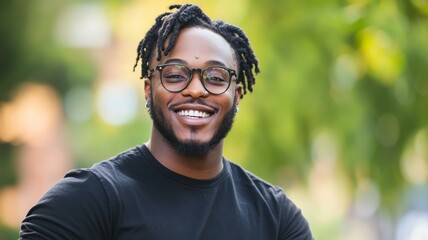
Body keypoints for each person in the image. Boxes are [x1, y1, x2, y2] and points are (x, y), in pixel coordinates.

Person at [20, 4, 313, 239]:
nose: (196, 89)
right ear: (149, 90)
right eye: (175, 75)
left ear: (236, 95)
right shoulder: (91, 200)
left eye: (215, 77)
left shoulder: (277, 219)